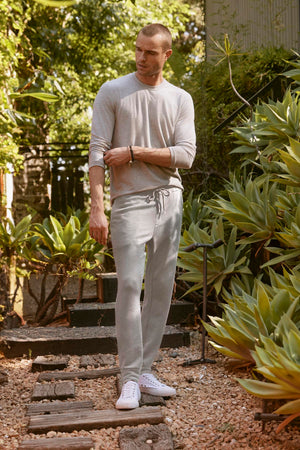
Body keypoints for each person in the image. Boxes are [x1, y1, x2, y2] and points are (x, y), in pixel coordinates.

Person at [89, 23, 196, 410]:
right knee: (131, 286)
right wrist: (97, 208)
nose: (140, 57)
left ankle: (146, 369)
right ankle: (129, 378)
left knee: (162, 288)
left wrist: (134, 151)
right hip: (129, 201)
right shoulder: (113, 91)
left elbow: (185, 155)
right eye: (137, 49)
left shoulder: (180, 98)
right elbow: (98, 152)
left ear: (167, 55)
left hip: (170, 198)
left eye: (150, 52)